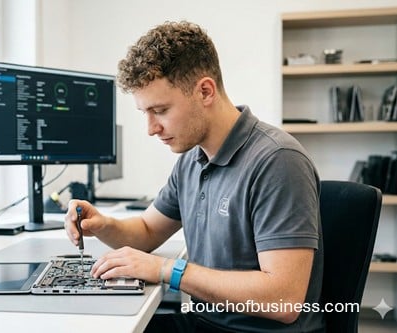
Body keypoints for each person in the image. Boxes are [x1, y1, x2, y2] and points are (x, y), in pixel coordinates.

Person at [64, 21, 324, 333]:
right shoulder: (192, 158)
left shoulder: (278, 160)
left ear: (205, 91)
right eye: (144, 113)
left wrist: (166, 269)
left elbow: (283, 301)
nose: (151, 128)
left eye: (159, 110)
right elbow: (147, 230)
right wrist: (103, 224)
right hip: (206, 323)